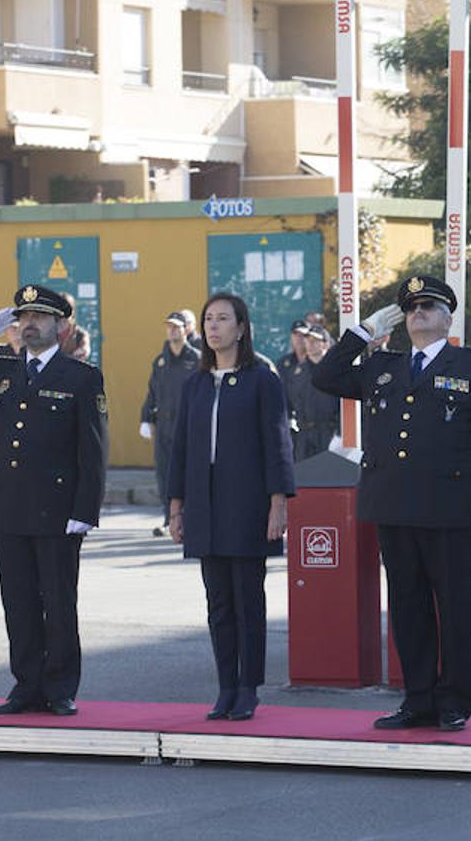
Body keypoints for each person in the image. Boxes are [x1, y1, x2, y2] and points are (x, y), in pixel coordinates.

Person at [313, 275, 471, 732]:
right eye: (411, 307)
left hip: (452, 510)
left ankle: (456, 700)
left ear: (448, 318)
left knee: (456, 609)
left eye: (428, 305)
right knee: (408, 608)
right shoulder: (383, 366)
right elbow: (324, 377)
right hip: (394, 507)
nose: (418, 313)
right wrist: (361, 333)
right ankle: (418, 699)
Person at [0, 285, 108, 717]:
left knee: (58, 600)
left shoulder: (81, 378)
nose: (29, 323)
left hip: (56, 510)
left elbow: (93, 450)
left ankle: (60, 687)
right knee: (18, 600)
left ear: (61, 327)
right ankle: (26, 686)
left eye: (40, 316)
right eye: (24, 316)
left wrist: (84, 511)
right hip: (6, 505)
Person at [168, 292, 296, 720]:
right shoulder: (196, 383)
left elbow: (277, 443)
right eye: (208, 319)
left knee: (247, 600)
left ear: (241, 328)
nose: (214, 327)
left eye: (223, 319)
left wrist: (279, 502)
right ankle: (225, 686)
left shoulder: (263, 378)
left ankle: (248, 687)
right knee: (218, 601)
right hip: (205, 506)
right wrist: (176, 506)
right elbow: (181, 448)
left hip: (247, 505)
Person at [140, 312, 201, 537]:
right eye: (169, 327)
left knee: (189, 472)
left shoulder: (196, 359)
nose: (172, 331)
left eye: (177, 327)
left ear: (186, 330)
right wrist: (145, 417)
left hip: (187, 425)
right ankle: (169, 518)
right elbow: (152, 391)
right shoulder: (161, 360)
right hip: (164, 425)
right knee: (165, 473)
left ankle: (191, 517)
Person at [290, 326, 340, 460]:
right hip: (304, 436)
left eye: (315, 340)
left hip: (328, 433)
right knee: (303, 478)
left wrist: (340, 435)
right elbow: (288, 403)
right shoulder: (297, 372)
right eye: (307, 340)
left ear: (326, 344)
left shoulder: (335, 371)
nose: (310, 344)